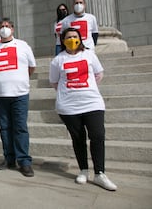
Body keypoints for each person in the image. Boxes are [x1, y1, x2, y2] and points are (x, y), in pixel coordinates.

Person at [49, 27, 117, 191]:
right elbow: (54, 83)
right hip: (69, 105)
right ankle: (83, 170)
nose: (72, 39)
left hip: (92, 102)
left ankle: (100, 173)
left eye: (74, 36)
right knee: (78, 138)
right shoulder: (57, 60)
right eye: (68, 37)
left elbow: (98, 75)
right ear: (63, 40)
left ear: (80, 39)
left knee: (97, 135)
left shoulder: (89, 55)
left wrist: (85, 89)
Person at [0, 18, 36, 177]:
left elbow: (31, 66)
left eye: (7, 26)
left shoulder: (22, 45)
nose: (4, 29)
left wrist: (18, 79)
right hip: (0, 95)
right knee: (5, 128)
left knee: (20, 127)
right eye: (1, 26)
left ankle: (24, 161)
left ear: (13, 29)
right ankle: (9, 159)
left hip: (19, 94)